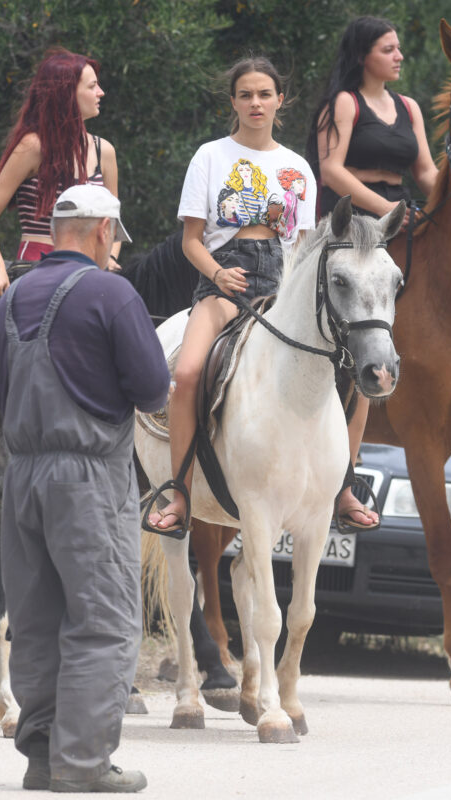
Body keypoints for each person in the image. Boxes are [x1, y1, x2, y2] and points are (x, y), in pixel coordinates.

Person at [0, 184, 166, 793]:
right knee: (102, 622)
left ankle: (41, 760)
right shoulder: (112, 292)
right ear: (102, 231)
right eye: (116, 237)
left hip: (22, 476)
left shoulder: (11, 296)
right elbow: (152, 389)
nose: (116, 248)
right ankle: (84, 765)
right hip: (88, 478)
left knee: (37, 622)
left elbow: (3, 389)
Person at [144, 56, 316, 537]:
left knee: (348, 371)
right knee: (188, 372)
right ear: (234, 102)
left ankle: (341, 487)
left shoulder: (298, 167)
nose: (255, 103)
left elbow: (302, 247)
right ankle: (178, 493)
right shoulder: (210, 156)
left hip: (281, 290)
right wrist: (219, 275)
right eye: (246, 95)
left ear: (280, 100)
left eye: (264, 94)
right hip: (222, 285)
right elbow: (190, 241)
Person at [305, 16, 441, 532]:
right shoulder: (346, 104)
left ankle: (349, 469)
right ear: (365, 56)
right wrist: (386, 209)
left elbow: (425, 172)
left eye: (399, 48)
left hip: (398, 220)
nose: (399, 56)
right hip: (351, 223)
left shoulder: (408, 108)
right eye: (389, 49)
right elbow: (331, 171)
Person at [0, 48, 121, 297]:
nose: (101, 93)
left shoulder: (104, 150)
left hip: (90, 273)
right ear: (67, 95)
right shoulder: (33, 147)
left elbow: (114, 222)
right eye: (92, 86)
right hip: (35, 267)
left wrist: (110, 258)